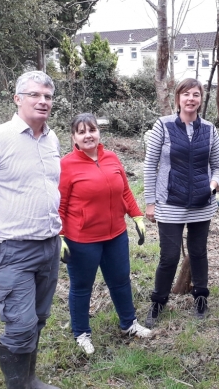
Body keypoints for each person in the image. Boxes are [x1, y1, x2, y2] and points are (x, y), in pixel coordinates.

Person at [0, 71, 63, 389]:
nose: (43, 101)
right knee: (20, 325)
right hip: (14, 249)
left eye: (47, 96)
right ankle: (17, 385)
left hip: (49, 246)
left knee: (39, 318)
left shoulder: (52, 139)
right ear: (17, 99)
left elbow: (50, 187)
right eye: (35, 95)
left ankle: (29, 378)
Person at [59, 113, 153, 355]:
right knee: (81, 287)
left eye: (91, 130)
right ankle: (81, 333)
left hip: (116, 235)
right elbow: (59, 204)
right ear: (74, 138)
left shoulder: (111, 158)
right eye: (81, 132)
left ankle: (129, 324)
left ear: (98, 133)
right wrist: (58, 235)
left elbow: (124, 192)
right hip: (82, 240)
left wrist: (137, 216)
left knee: (120, 280)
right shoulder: (67, 165)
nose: (88, 135)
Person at [143, 78, 219, 327]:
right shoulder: (163, 125)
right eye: (186, 94)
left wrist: (211, 187)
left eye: (196, 94)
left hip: (202, 203)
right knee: (168, 256)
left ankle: (201, 298)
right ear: (178, 98)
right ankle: (158, 301)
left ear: (201, 99)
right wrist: (150, 202)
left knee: (199, 253)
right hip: (169, 202)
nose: (191, 99)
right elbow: (150, 164)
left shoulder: (210, 129)